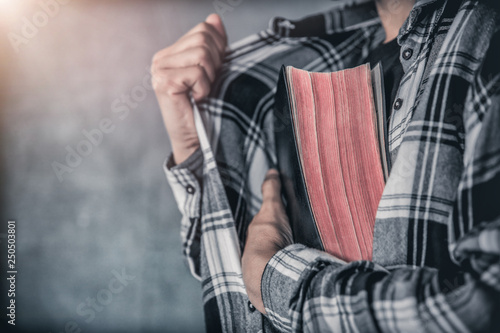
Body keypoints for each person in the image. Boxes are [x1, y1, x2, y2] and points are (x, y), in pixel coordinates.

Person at [151, 0, 500, 332]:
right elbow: (229, 276)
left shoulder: (486, 39)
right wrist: (192, 145)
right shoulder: (316, 56)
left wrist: (275, 280)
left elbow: (483, 308)